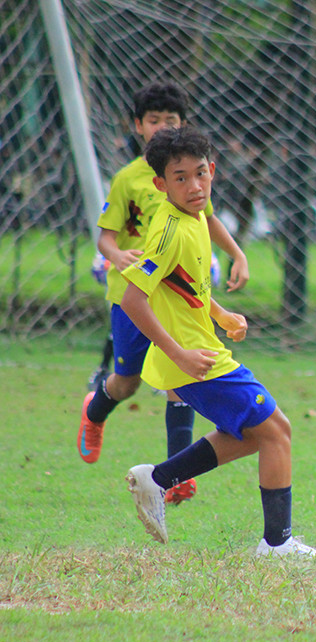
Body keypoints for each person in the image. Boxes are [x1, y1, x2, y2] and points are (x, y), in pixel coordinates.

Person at [120, 125, 316, 560]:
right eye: (180, 178)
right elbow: (132, 299)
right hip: (195, 359)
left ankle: (157, 479)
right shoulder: (170, 230)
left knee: (255, 435)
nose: (194, 186)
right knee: (277, 432)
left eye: (200, 173)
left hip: (200, 349)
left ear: (212, 170)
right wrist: (178, 352)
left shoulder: (195, 217)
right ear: (161, 184)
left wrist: (219, 313)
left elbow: (183, 286)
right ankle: (277, 545)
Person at [77, 82, 250, 507]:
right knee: (127, 383)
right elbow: (106, 240)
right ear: (138, 126)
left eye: (169, 121)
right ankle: (94, 410)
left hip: (179, 298)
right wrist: (118, 256)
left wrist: (237, 254)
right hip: (132, 296)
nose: (160, 127)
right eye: (153, 120)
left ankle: (176, 474)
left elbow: (209, 219)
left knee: (183, 375)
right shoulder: (129, 180)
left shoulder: (191, 177)